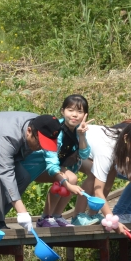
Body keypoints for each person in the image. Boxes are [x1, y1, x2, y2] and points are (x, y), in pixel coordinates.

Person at [0, 112, 63, 230]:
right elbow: (6, 172)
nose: (41, 147)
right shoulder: (10, 135)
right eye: (39, 143)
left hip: (0, 147)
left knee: (24, 177)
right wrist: (21, 211)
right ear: (28, 131)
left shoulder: (41, 124)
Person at [72, 122, 131, 229]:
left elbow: (130, 174)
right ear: (126, 138)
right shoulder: (107, 151)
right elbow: (98, 191)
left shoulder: (122, 141)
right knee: (94, 174)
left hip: (88, 149)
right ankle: (78, 217)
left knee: (111, 172)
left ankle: (92, 215)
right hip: (72, 149)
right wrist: (112, 220)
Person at [37, 95, 91, 227]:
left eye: (79, 112)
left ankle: (56, 216)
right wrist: (61, 173)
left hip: (61, 166)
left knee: (72, 178)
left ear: (85, 115)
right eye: (70, 110)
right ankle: (46, 217)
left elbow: (84, 154)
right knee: (70, 179)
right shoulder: (57, 130)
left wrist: (82, 135)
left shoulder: (80, 130)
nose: (75, 115)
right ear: (63, 111)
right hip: (46, 164)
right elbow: (51, 156)